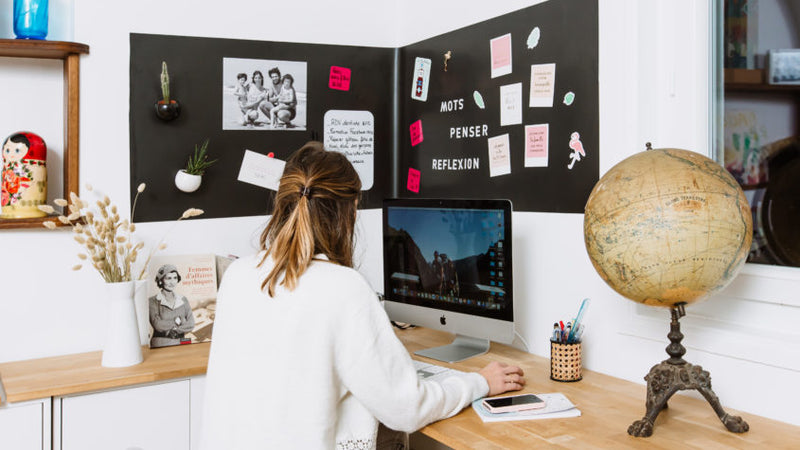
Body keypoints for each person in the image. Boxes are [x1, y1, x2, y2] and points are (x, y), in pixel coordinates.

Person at [200, 142, 524, 449]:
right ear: (350, 212)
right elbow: (407, 407)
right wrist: (479, 383)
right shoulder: (343, 288)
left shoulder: (238, 275)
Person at [148, 264, 196, 348]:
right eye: (168, 278)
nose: (172, 282)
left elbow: (191, 323)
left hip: (181, 341)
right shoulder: (152, 301)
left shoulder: (183, 299)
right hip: (161, 343)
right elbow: (157, 325)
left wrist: (176, 330)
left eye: (175, 278)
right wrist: (180, 321)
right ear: (161, 280)